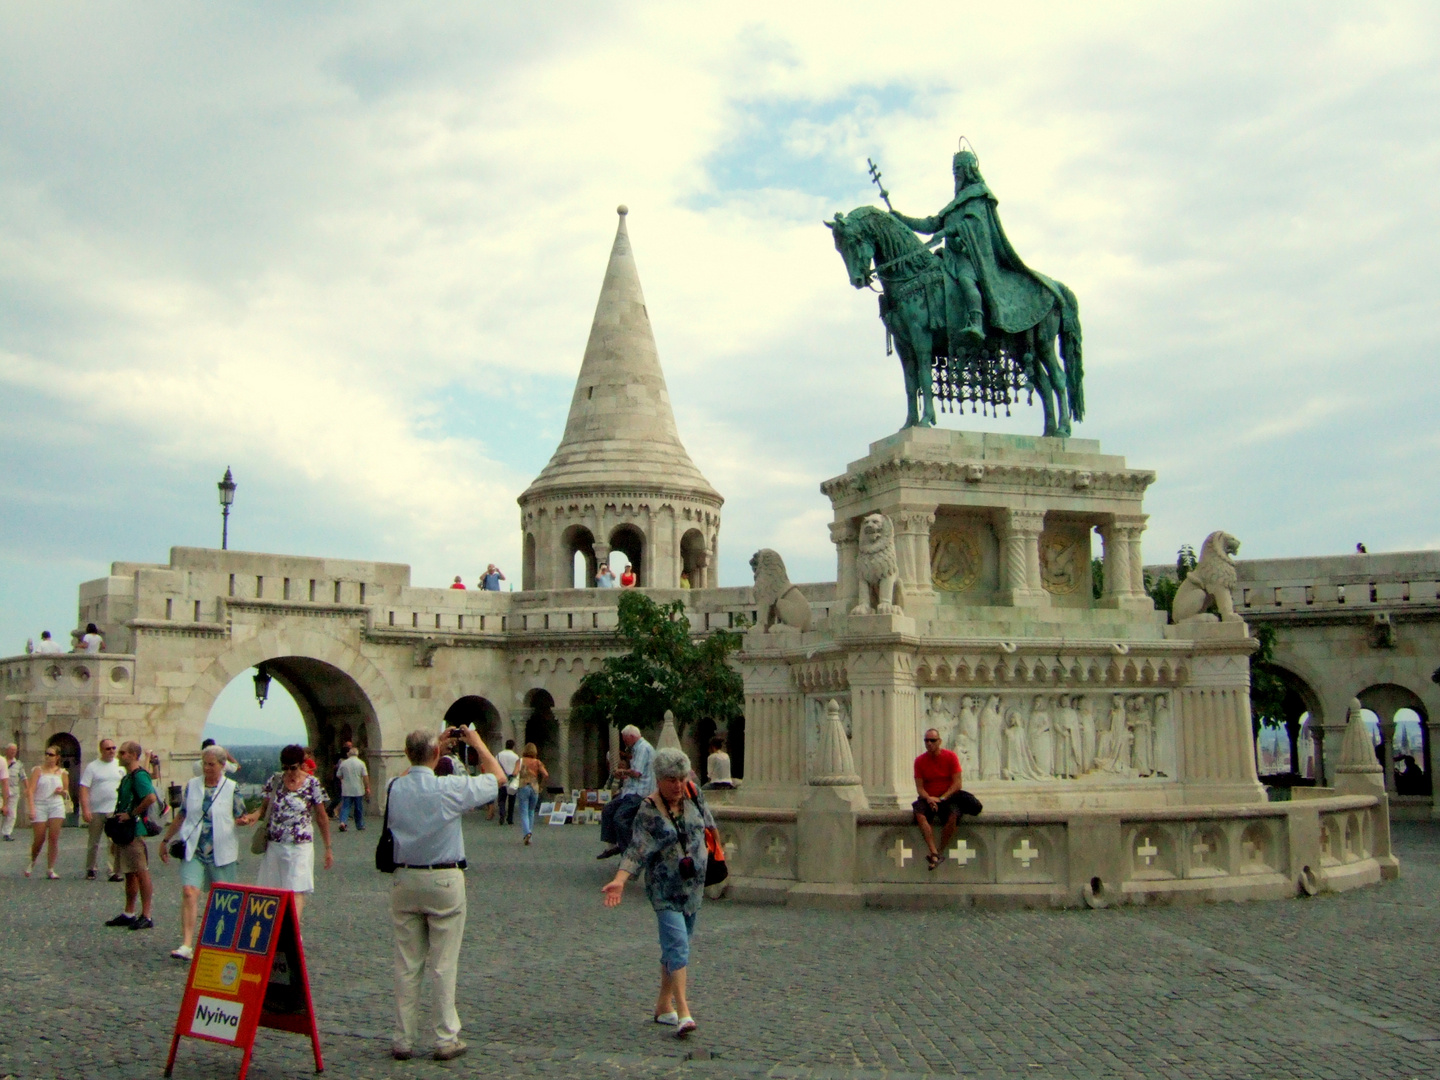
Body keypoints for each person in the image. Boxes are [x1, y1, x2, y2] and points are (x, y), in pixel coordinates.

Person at [386, 726, 505, 1062]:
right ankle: (445, 1037)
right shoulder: (449, 787)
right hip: (443, 878)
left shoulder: (395, 787)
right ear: (437, 756)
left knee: (407, 964)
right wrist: (477, 742)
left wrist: (432, 745)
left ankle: (402, 1038)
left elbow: (410, 771)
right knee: (443, 963)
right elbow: (497, 777)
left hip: (405, 878)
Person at [889, 148, 1064, 349]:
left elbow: (973, 224)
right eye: (954, 170)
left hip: (972, 258)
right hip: (951, 258)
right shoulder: (954, 204)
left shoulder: (978, 196)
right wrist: (902, 219)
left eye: (959, 169)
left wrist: (946, 232)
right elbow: (930, 224)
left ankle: (976, 323)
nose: (956, 174)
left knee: (966, 280)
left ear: (969, 170)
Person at [601, 747, 714, 1038]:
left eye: (681, 778)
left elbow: (709, 826)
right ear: (659, 779)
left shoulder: (693, 795)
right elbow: (636, 849)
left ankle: (663, 1005)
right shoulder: (649, 810)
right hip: (664, 889)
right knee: (678, 946)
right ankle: (684, 1012)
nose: (678, 785)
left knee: (677, 946)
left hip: (692, 888)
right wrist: (620, 880)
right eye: (671, 780)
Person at [159, 744, 257, 960]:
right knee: (189, 891)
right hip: (193, 847)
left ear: (222, 766)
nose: (207, 768)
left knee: (224, 898)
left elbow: (241, 815)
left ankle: (222, 942)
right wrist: (166, 839)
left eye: (211, 764)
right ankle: (186, 944)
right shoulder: (192, 786)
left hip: (221, 850)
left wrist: (244, 821)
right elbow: (182, 814)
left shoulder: (232, 788)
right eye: (204, 764)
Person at [256, 745, 333, 923]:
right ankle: (274, 931)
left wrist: (328, 848)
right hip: (276, 844)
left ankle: (293, 932)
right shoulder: (275, 781)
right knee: (273, 891)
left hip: (301, 844)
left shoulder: (312, 784)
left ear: (302, 765)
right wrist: (251, 817)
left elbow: (322, 817)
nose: (289, 772)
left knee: (296, 889)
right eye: (285, 767)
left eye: (293, 767)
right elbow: (263, 809)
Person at [106, 741, 158, 930]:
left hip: (134, 831)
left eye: (123, 753)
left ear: (134, 755)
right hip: (124, 832)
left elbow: (150, 797)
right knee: (129, 872)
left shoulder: (138, 776)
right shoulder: (128, 777)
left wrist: (132, 814)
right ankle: (129, 912)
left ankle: (146, 914)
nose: (119, 756)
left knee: (140, 871)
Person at [912, 726, 980, 870]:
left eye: (932, 740)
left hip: (946, 797)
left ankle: (941, 850)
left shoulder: (950, 757)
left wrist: (942, 798)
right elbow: (920, 788)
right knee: (919, 813)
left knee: (954, 814)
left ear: (939, 741)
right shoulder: (919, 761)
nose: (929, 743)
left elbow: (957, 784)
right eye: (926, 741)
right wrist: (930, 798)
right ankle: (934, 852)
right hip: (929, 798)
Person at [598, 725, 654, 859]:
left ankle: (629, 853)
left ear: (632, 737)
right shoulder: (636, 749)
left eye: (625, 740)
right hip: (630, 790)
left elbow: (637, 772)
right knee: (608, 809)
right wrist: (625, 775)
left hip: (639, 792)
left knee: (620, 818)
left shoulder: (642, 748)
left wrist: (622, 771)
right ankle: (612, 846)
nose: (624, 743)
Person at [80, 738, 126, 881]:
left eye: (113, 748)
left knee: (113, 841)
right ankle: (91, 868)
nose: (111, 751)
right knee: (94, 841)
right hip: (96, 809)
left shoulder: (120, 766)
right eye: (108, 748)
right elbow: (84, 788)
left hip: (114, 809)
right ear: (101, 750)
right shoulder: (92, 767)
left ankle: (112, 870)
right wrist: (85, 809)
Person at [25, 745, 69, 879]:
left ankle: (50, 868)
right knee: (39, 837)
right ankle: (33, 859)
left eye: (51, 754)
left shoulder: (62, 772)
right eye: (47, 754)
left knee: (53, 837)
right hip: (40, 804)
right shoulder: (38, 770)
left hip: (55, 805)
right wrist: (31, 808)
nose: (48, 757)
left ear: (57, 757)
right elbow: (30, 791)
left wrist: (61, 792)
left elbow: (66, 792)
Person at [513, 742, 548, 845]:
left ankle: (526, 833)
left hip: (523, 786)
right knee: (531, 811)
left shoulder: (520, 761)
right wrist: (541, 785)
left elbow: (515, 773)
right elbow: (546, 774)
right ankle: (530, 835)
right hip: (534, 787)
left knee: (524, 811)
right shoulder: (537, 762)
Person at [335, 747, 370, 831]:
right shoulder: (361, 763)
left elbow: (338, 775)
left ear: (349, 754)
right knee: (358, 808)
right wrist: (367, 787)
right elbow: (365, 776)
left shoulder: (344, 763)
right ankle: (360, 825)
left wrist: (344, 778)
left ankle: (343, 822)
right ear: (357, 754)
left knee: (345, 807)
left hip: (346, 789)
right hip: (358, 789)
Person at [3, 745, 26, 840]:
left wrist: (27, 788)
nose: (13, 752)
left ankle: (6, 833)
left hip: (14, 790)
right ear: (6, 750)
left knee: (12, 814)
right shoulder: (1, 761)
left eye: (15, 750)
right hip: (1, 790)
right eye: (11, 750)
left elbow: (23, 777)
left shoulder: (19, 764)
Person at [495, 739, 520, 826]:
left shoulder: (499, 755)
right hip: (512, 781)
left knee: (501, 800)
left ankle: (502, 813)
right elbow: (517, 770)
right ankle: (510, 819)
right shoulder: (516, 756)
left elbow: (495, 767)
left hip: (502, 780)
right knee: (511, 801)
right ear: (513, 747)